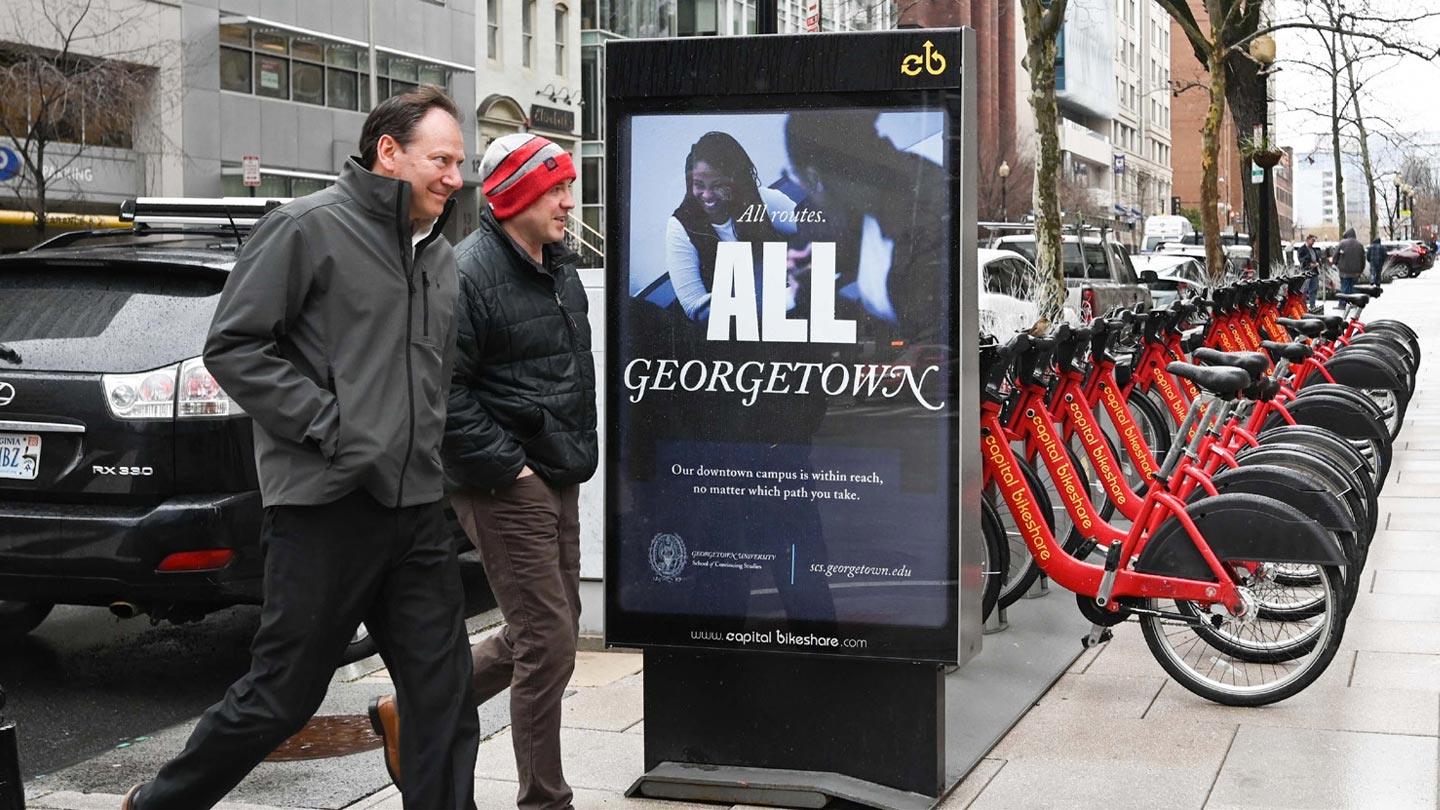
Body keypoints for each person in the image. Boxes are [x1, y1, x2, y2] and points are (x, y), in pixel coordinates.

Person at [122, 87, 477, 810]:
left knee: (444, 696)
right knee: (282, 696)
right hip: (325, 507)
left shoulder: (438, 256)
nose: (455, 178)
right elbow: (234, 346)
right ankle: (161, 804)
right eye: (441, 159)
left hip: (415, 509)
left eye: (459, 163)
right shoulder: (306, 228)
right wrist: (332, 429)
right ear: (389, 153)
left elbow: (432, 378)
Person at [369, 133, 597, 810]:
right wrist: (512, 468)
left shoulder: (558, 266)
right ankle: (544, 800)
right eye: (556, 186)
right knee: (550, 643)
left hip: (556, 472)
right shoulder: (467, 273)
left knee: (545, 630)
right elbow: (443, 392)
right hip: (504, 480)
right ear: (520, 195)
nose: (568, 199)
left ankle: (411, 712)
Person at [666, 131, 799, 321]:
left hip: (788, 313)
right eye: (699, 184)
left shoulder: (763, 199)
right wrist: (764, 302)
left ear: (736, 181)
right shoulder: (679, 227)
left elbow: (817, 231)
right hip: (739, 331)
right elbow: (694, 306)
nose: (707, 195)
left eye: (718, 185)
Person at [1334, 227, 1365, 297]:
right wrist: (1361, 270)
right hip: (1356, 272)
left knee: (1345, 288)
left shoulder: (1342, 243)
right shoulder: (1359, 245)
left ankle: (1343, 304)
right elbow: (1363, 259)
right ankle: (1354, 304)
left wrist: (1336, 264)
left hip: (1344, 271)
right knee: (1354, 288)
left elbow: (1335, 256)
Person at [1295, 234, 1322, 308]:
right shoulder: (1302, 249)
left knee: (1313, 289)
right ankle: (1303, 306)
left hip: (1314, 272)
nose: (1313, 242)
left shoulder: (1313, 250)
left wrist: (1318, 263)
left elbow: (1317, 258)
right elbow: (1302, 260)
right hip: (1306, 272)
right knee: (1304, 289)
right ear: (1308, 240)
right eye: (1312, 240)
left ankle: (1312, 305)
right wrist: (1309, 264)